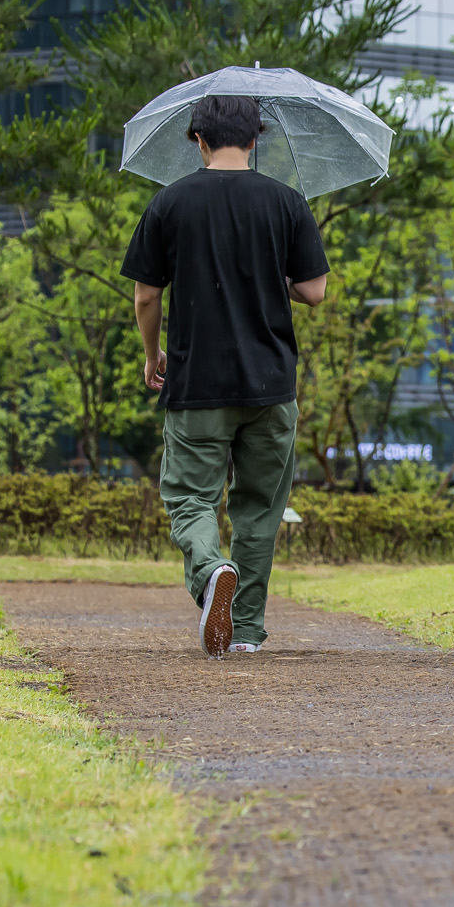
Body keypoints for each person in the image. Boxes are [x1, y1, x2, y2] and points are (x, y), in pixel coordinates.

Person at [121, 94, 329, 656]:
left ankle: (212, 570)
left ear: (198, 140)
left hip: (197, 384)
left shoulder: (170, 203)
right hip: (270, 385)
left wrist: (151, 352)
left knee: (190, 499)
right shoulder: (286, 201)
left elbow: (145, 295)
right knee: (260, 508)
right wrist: (270, 275)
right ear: (256, 138)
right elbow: (314, 291)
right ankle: (247, 634)